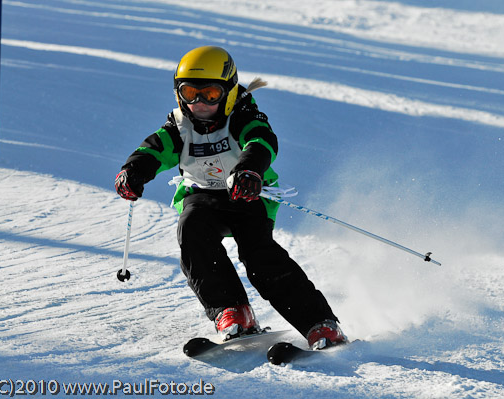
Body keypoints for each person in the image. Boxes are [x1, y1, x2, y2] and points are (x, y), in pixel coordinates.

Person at [115, 45, 346, 350]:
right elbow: (152, 151)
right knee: (192, 232)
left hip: (248, 194)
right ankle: (233, 311)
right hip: (203, 196)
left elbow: (261, 141)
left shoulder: (243, 115)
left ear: (228, 91)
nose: (199, 103)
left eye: (210, 94)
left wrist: (250, 170)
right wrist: (133, 172)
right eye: (189, 93)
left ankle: (320, 324)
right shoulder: (179, 126)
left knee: (258, 255)